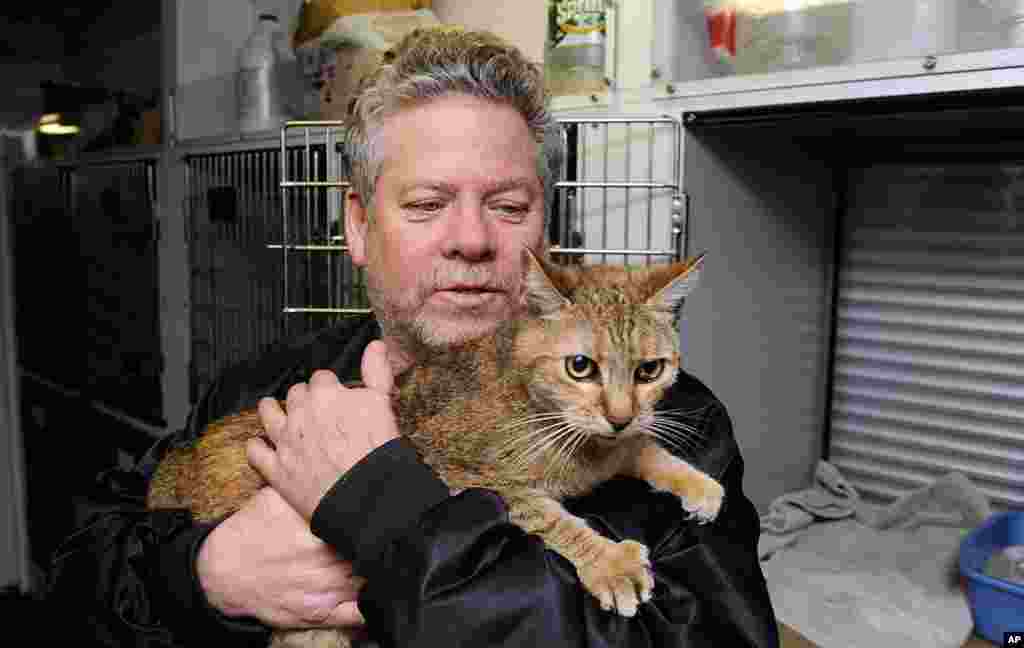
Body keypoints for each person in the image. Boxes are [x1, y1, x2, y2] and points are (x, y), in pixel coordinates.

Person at [47, 26, 779, 648]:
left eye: (508, 204)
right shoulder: (259, 384)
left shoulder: (675, 430)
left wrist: (389, 511)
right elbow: (78, 579)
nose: (470, 240)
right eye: (428, 204)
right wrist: (208, 576)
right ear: (358, 226)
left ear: (544, 227)